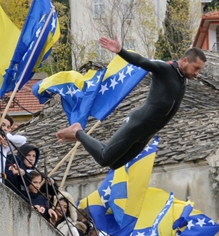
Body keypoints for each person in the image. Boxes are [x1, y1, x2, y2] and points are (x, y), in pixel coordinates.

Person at [56, 37, 206, 168]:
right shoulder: (165, 69)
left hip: (147, 133)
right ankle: (77, 131)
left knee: (114, 163)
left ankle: (81, 136)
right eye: (196, 68)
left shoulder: (182, 79)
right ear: (185, 60)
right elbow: (141, 61)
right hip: (139, 123)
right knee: (103, 159)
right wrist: (120, 51)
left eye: (199, 70)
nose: (197, 73)